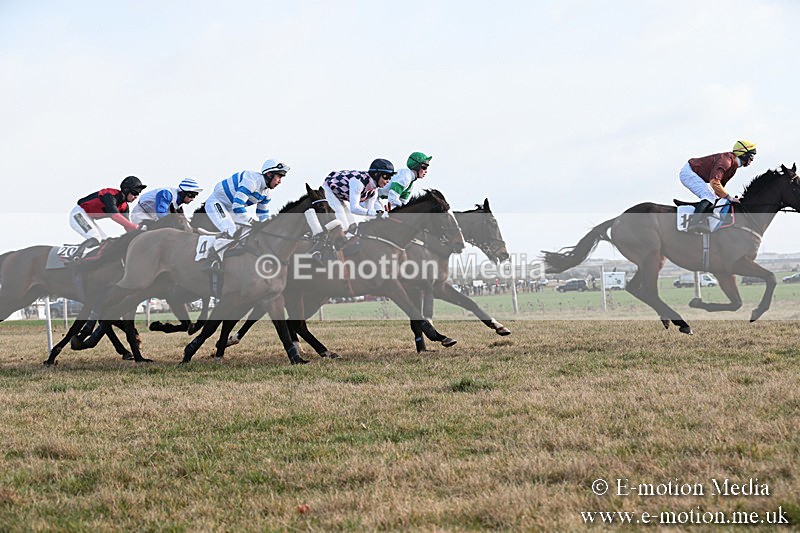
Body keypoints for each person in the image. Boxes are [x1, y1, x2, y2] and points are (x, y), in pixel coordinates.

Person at [202, 159, 289, 271]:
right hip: (217, 203)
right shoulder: (251, 181)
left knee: (247, 232)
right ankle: (212, 260)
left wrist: (268, 228)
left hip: (231, 209)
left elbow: (263, 215)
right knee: (231, 230)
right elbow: (238, 206)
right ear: (269, 174)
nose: (280, 181)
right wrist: (252, 222)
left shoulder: (267, 193)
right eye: (279, 177)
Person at [680, 140, 756, 233]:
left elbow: (719, 189)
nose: (752, 159)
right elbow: (714, 182)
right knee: (708, 196)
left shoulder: (733, 167)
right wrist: (730, 198)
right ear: (744, 154)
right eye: (751, 155)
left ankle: (703, 221)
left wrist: (725, 198)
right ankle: (693, 224)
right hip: (688, 172)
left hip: (695, 174)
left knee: (714, 198)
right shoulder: (727, 162)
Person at [69, 176, 147, 259]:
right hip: (78, 214)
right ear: (126, 190)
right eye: (135, 193)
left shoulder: (124, 206)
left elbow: (127, 226)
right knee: (95, 238)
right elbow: (114, 216)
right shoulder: (110, 195)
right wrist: (137, 227)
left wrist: (140, 236)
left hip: (88, 217)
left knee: (104, 241)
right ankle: (75, 258)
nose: (136, 196)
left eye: (138, 194)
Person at [322, 158, 395, 233]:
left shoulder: (373, 192)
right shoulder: (359, 183)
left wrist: (382, 216)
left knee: (352, 225)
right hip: (329, 189)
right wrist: (377, 213)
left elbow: (369, 214)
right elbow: (354, 209)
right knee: (344, 223)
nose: (388, 181)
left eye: (390, 177)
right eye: (386, 176)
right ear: (376, 174)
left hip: (341, 194)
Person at [130, 178, 204, 227]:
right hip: (141, 214)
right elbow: (161, 214)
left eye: (195, 195)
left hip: (153, 218)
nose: (192, 199)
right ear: (182, 192)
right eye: (191, 195)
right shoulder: (166, 194)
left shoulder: (179, 205)